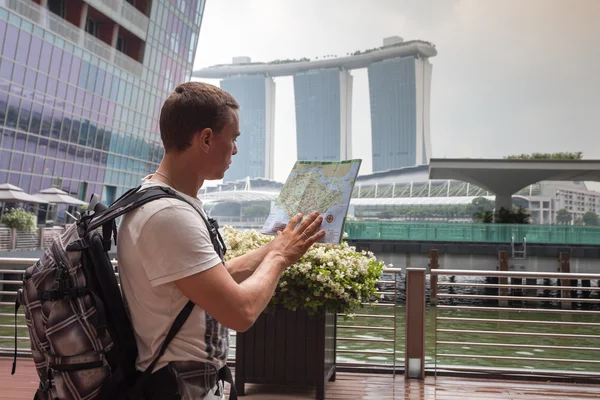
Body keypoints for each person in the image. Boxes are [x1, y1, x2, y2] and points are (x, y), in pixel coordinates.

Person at [116, 81, 325, 400]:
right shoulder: (169, 215)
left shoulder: (158, 199)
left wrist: (280, 244)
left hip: (180, 380)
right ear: (207, 138)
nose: (236, 150)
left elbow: (215, 276)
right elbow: (241, 312)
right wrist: (279, 258)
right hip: (179, 386)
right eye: (234, 138)